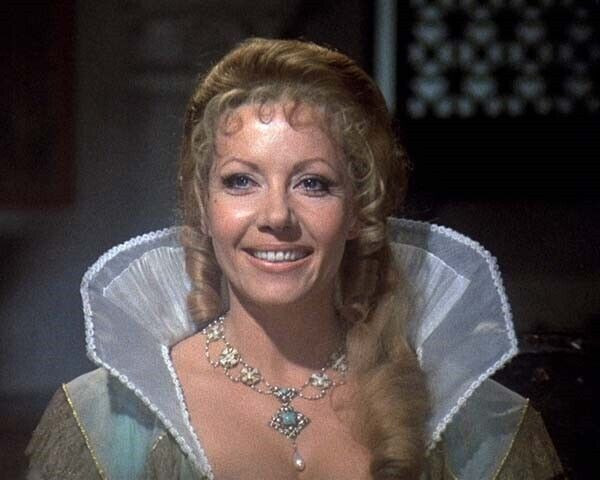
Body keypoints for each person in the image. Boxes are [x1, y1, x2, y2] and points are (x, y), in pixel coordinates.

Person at [26, 38, 563, 479]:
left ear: (359, 211)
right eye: (242, 181)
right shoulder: (109, 423)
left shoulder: (466, 421)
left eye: (313, 183)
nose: (277, 215)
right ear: (203, 206)